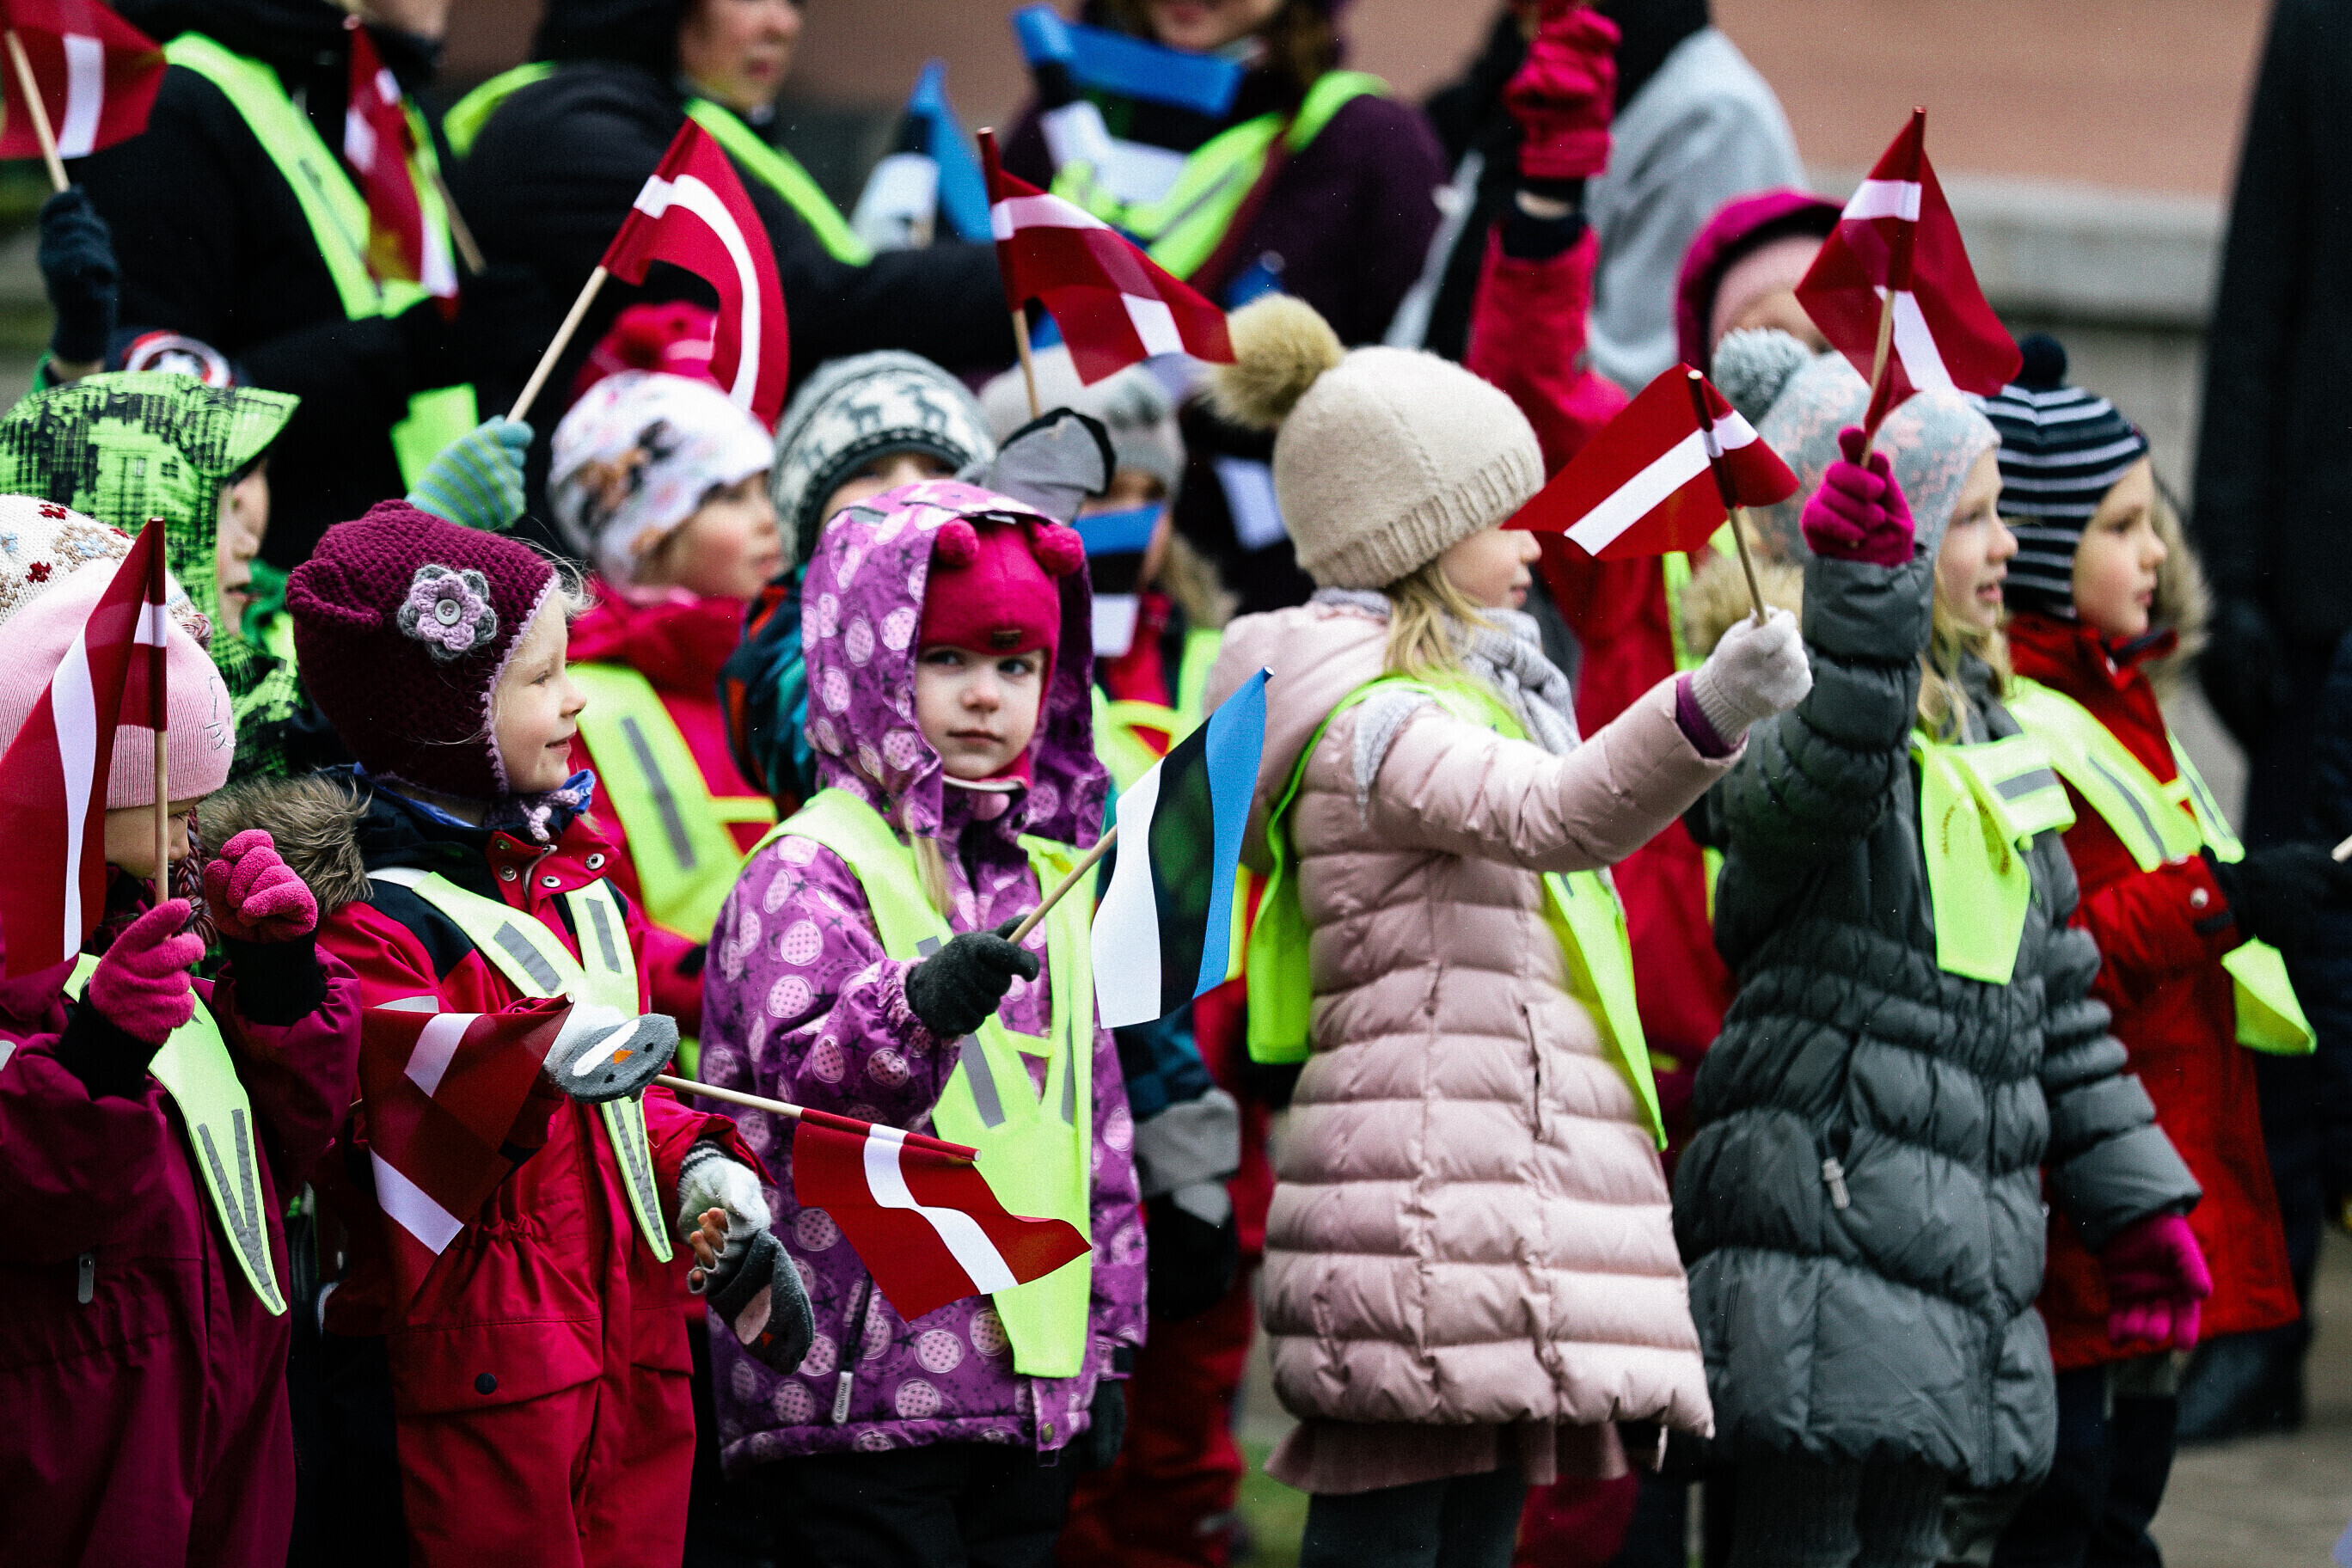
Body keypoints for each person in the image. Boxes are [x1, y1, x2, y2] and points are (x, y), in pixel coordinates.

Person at [1191, 294, 1807, 1568]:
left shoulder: (1475, 695)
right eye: (1498, 516)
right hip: (1419, 1195)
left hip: (1469, 1184)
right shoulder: (1383, 724)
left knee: (1470, 1534)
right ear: (1414, 540)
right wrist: (1710, 705)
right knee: (1391, 1541)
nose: (1531, 540)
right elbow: (1558, 813)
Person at [1676, 355, 2209, 1568]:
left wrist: (2136, 1204)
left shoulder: (1990, 726)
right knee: (1803, 1539)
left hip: (1962, 1232)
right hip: (1824, 1215)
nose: (2008, 544)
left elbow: (2057, 992)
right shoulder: (1782, 701)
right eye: (1971, 518)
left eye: (2001, 512)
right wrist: (1863, 615)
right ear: (1887, 548)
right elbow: (1821, 779)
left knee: (1918, 1543)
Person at [217, 502, 805, 1567]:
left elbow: (632, 1099)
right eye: (540, 679)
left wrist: (702, 1169)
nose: (576, 697)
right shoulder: (368, 916)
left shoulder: (576, 878)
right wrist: (532, 1059)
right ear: (442, 718)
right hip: (468, 1386)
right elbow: (379, 1129)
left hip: (625, 1355)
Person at [697, 477, 1146, 1565]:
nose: (985, 695)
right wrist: (916, 1008)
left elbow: (1092, 1134)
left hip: (1025, 1379)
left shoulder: (1051, 875)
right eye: (945, 659)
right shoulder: (809, 868)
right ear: (871, 663)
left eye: (1016, 665)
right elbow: (803, 1090)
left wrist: (1111, 1344)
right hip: (856, 1393)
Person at [1988, 338, 2316, 1561]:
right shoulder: (2027, 720)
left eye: (2154, 524)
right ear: (2037, 550)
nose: (2157, 554)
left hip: (2152, 1186)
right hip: (2081, 1214)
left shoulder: (2126, 694)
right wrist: (2225, 899)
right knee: (2072, 1508)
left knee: (2125, 1502)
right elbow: (2059, 951)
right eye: (2122, 528)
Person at [0, 512, 364, 1568]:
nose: (188, 831)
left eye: (197, 804)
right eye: (166, 803)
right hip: (74, 1423)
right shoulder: (29, 963)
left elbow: (276, 1156)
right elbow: (33, 1198)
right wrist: (100, 1054)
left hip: (228, 1398)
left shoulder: (159, 929)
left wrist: (280, 982)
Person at [449, 0, 1014, 504]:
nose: (783, 24)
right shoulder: (572, 126)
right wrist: (1021, 274)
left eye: (793, 1)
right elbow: (797, 303)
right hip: (601, 526)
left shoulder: (684, 116)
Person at [1006, 0, 1451, 622]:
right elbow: (978, 326)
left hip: (1262, 585)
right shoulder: (1064, 116)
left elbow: (1410, 382)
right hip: (1041, 551)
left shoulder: (1370, 140)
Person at [2184, 0, 2352, 1442]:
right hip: (2321, 591)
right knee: (2292, 965)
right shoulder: (2322, 26)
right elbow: (2260, 289)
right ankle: (2264, 1316)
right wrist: (2230, 565)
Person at [84, 0, 480, 565]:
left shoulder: (390, 94)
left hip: (444, 577)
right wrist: (403, 353)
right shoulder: (174, 105)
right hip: (282, 590)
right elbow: (158, 407)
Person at [548, 367, 786, 1042]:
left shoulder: (795, 663)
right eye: (730, 496)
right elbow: (589, 915)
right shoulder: (581, 703)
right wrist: (760, 990)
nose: (768, 518)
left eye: (766, 488)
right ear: (647, 533)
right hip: (696, 1066)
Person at [723, 350, 999, 813]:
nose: (909, 489)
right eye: (867, 472)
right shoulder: (784, 634)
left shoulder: (1020, 606)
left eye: (939, 468)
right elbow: (804, 746)